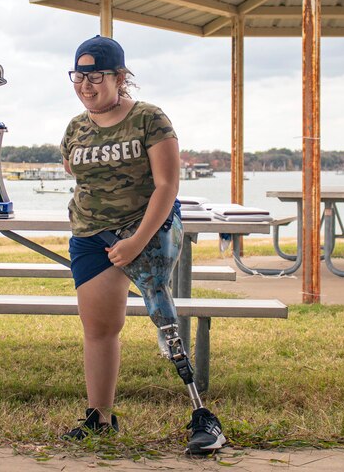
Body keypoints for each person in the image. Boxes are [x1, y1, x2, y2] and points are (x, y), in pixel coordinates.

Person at [59, 35, 226, 454]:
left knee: (162, 316)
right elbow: (73, 169)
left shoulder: (150, 119)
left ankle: (203, 416)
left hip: (145, 232)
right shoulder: (76, 127)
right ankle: (100, 416)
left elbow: (168, 186)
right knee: (99, 329)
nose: (85, 85)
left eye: (95, 76)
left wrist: (136, 241)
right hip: (90, 237)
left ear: (120, 77)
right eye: (78, 77)